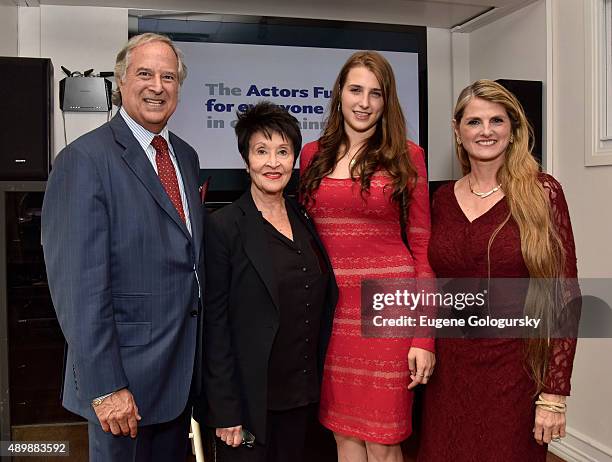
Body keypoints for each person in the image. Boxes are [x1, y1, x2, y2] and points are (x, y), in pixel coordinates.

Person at [41, 33, 205, 461]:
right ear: (120, 80)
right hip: (123, 388)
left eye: (168, 77)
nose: (157, 86)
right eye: (145, 73)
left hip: (179, 377)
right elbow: (78, 289)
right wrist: (106, 387)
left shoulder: (185, 157)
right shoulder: (84, 160)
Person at [417, 79, 580, 461]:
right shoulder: (441, 199)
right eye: (474, 122)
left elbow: (565, 295)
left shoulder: (542, 193)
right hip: (449, 372)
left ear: (513, 131)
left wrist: (554, 393)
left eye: (497, 120)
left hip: (514, 371)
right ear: (457, 130)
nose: (485, 131)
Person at [299, 51, 435, 462]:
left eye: (375, 94)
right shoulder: (310, 155)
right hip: (333, 314)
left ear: (386, 100)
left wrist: (424, 336)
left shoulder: (407, 156)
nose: (364, 102)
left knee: (382, 439)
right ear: (340, 92)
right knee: (343, 436)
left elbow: (423, 249)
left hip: (390, 310)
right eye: (356, 89)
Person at [194, 101, 338, 462]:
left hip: (305, 400)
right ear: (246, 161)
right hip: (249, 407)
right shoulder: (224, 226)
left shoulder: (306, 219)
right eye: (261, 151)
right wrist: (225, 410)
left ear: (294, 159)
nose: (273, 162)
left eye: (282, 151)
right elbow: (214, 324)